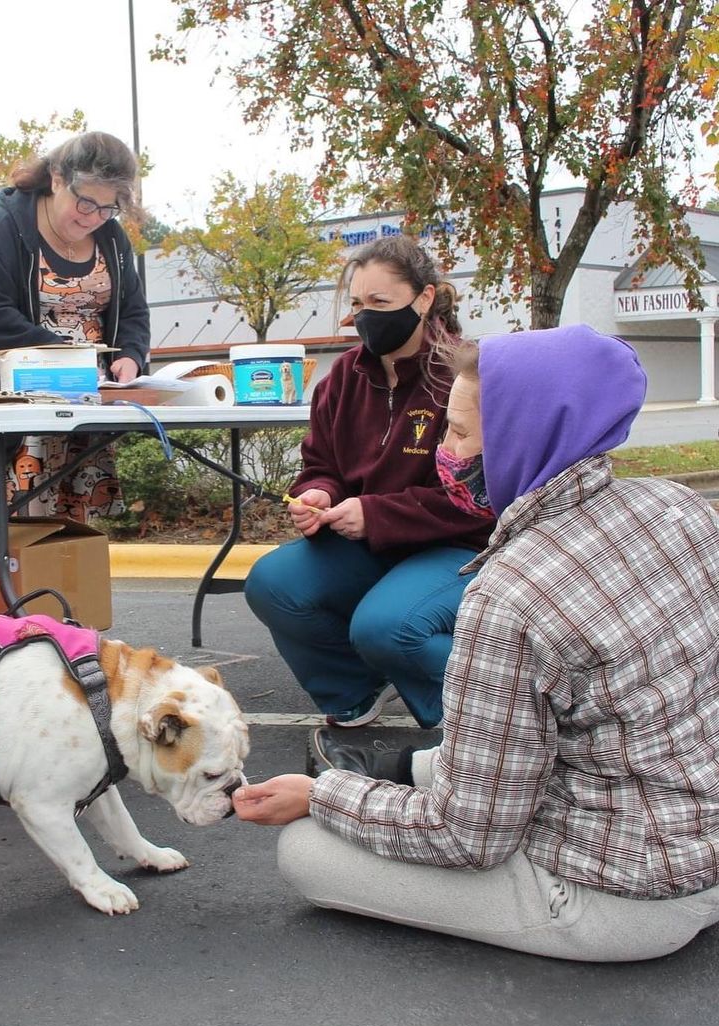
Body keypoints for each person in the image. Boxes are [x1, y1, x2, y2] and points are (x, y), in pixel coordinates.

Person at [233, 323, 719, 963]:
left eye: (459, 434)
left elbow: (472, 835)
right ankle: (406, 769)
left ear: (525, 437)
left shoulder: (509, 591)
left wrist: (322, 798)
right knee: (481, 758)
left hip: (622, 899)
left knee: (307, 851)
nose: (445, 452)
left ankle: (373, 778)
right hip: (692, 824)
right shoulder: (679, 507)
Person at [244, 235, 494, 730]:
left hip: (456, 546)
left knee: (387, 627)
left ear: (424, 299)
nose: (365, 316)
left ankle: (477, 720)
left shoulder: (464, 374)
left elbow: (479, 493)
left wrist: (375, 515)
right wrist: (319, 493)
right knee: (272, 583)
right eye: (358, 304)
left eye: (380, 303)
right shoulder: (342, 377)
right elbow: (321, 464)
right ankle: (354, 693)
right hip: (367, 540)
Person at [0, 130, 150, 524]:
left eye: (107, 209)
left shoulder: (112, 238)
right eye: (85, 202)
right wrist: (65, 356)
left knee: (64, 542)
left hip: (78, 410)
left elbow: (133, 311)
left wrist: (130, 355)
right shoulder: (2, 227)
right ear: (57, 179)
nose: (93, 217)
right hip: (5, 408)